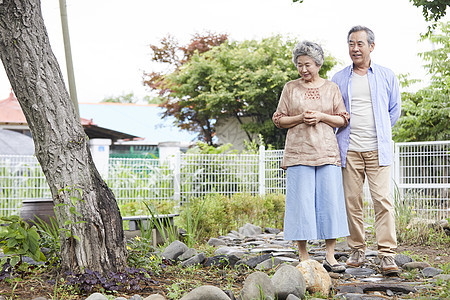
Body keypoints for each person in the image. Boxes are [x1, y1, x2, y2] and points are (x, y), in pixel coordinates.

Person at [273, 40, 350, 273]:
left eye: (307, 64)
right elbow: (279, 119)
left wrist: (320, 116)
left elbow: (342, 119)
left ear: (318, 64)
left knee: (330, 202)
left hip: (327, 152)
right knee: (301, 203)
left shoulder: (331, 88)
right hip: (298, 153)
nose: (303, 69)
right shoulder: (290, 88)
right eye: (299, 65)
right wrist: (299, 118)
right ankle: (304, 256)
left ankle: (330, 256)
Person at [331, 25, 402, 275]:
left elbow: (394, 109)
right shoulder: (339, 78)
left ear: (371, 46)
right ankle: (357, 248)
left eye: (360, 43)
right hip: (349, 149)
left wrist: (381, 131)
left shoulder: (386, 75)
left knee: (383, 201)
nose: (355, 48)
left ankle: (386, 254)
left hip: (377, 150)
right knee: (352, 202)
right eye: (351, 43)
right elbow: (332, 111)